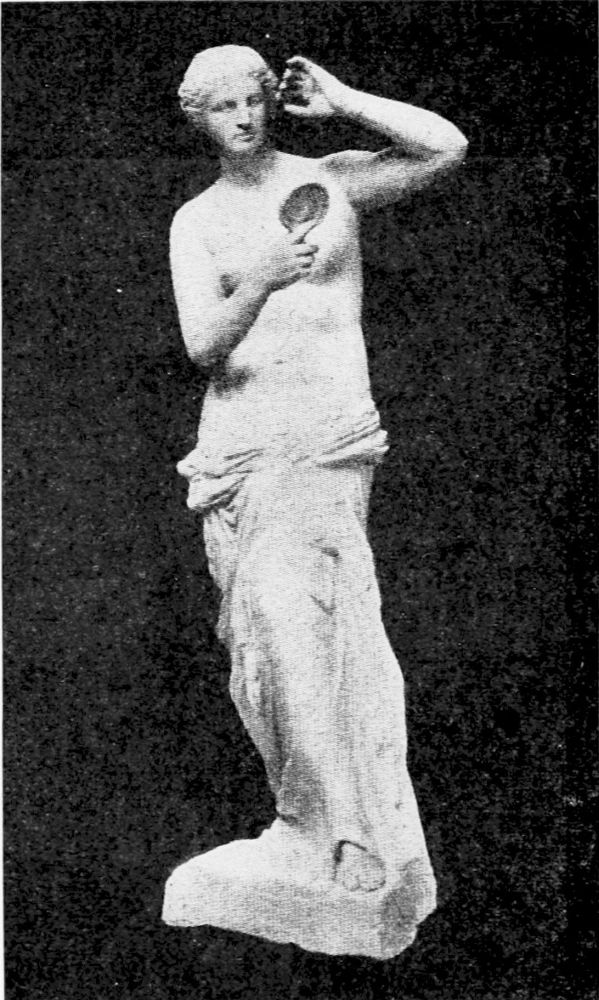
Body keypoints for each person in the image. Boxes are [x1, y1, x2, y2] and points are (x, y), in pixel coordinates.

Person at [169, 44, 467, 946]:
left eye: (253, 99)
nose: (243, 118)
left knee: (327, 632)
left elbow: (444, 148)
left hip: (328, 441)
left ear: (272, 100)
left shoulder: (330, 180)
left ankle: (345, 829)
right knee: (271, 633)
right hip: (248, 447)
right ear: (198, 119)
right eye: (222, 107)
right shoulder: (198, 221)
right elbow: (202, 345)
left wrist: (341, 98)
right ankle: (317, 824)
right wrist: (260, 278)